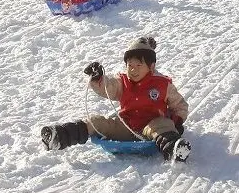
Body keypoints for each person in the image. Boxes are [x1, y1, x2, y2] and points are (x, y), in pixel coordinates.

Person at [40, 37, 191, 162]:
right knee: (96, 122)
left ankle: (175, 150)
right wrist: (98, 78)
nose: (133, 69)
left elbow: (180, 105)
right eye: (130, 65)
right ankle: (59, 136)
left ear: (151, 67)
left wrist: (176, 121)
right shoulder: (122, 82)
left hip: (151, 127)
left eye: (139, 65)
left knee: (163, 124)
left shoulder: (162, 84)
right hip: (125, 126)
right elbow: (109, 87)